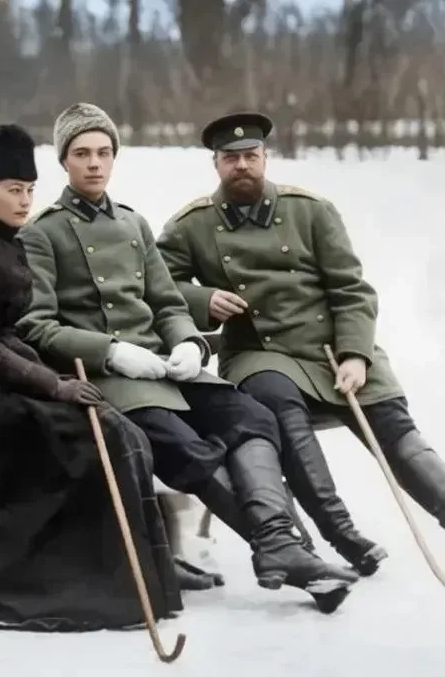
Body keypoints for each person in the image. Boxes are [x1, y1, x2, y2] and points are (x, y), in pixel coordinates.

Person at [17, 103, 358, 611]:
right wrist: (113, 352)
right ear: (63, 160)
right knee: (187, 446)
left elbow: (168, 304)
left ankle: (279, 544)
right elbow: (37, 326)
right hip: (113, 377)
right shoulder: (41, 233)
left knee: (251, 417)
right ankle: (288, 552)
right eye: (82, 153)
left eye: (104, 152)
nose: (95, 164)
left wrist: (187, 342)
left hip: (164, 367)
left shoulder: (133, 223)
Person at [0, 124, 182, 630]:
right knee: (89, 437)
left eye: (29, 189)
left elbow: (15, 330)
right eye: (13, 190)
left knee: (123, 432)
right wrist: (53, 384)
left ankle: (140, 570)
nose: (25, 201)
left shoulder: (10, 242)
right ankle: (71, 580)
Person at [158, 111, 441, 566]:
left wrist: (355, 354)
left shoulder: (310, 211)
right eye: (231, 158)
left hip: (330, 345)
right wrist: (203, 298)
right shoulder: (192, 224)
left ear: (265, 157)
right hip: (258, 351)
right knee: (278, 407)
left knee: (398, 433)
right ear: (216, 164)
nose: (242, 165)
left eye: (251, 155)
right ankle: (342, 533)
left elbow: (351, 290)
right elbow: (156, 284)